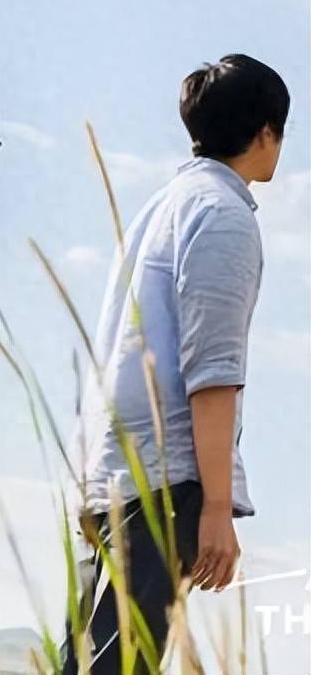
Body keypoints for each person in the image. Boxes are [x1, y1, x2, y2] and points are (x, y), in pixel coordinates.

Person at [62, 55, 289, 673]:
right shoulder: (223, 216)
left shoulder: (164, 205)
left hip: (112, 468)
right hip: (160, 479)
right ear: (265, 133)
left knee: (91, 659)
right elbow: (213, 370)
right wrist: (216, 506)